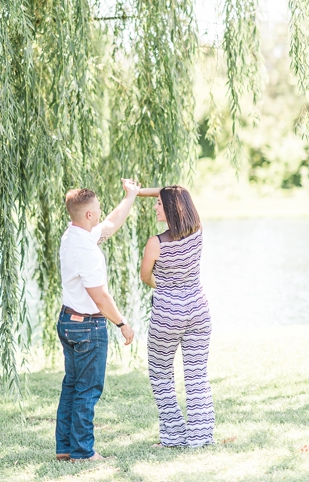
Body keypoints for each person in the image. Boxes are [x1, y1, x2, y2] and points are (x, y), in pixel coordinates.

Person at [55, 179, 139, 462]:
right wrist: (122, 323)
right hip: (87, 327)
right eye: (98, 210)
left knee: (72, 385)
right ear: (88, 214)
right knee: (87, 390)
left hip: (68, 320)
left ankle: (65, 448)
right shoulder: (86, 250)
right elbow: (101, 297)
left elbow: (111, 225)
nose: (101, 213)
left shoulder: (73, 235)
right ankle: (82, 452)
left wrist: (131, 196)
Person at [138, 185, 214, 447]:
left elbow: (145, 276)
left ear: (170, 208)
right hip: (198, 309)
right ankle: (201, 437)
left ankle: (174, 436)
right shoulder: (198, 230)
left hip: (167, 314)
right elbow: (180, 192)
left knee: (160, 373)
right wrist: (143, 192)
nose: (155, 206)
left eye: (159, 203)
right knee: (197, 374)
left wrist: (134, 192)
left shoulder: (155, 243)